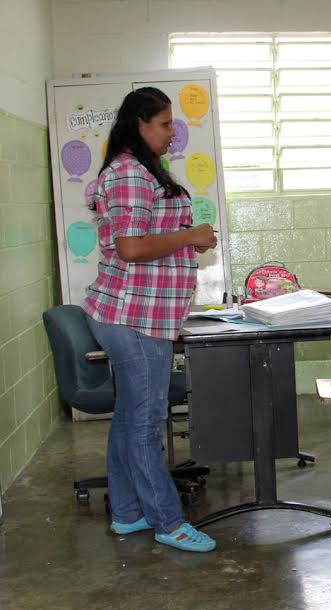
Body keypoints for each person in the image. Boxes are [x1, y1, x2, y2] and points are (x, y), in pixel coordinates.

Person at [82, 87, 218, 552]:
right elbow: (131, 247)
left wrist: (186, 238)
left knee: (130, 419)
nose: (172, 131)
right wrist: (187, 236)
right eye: (164, 123)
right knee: (144, 424)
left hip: (145, 314)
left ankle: (126, 513)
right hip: (132, 316)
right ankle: (168, 521)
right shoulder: (127, 174)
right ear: (140, 123)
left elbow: (145, 238)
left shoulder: (141, 171)